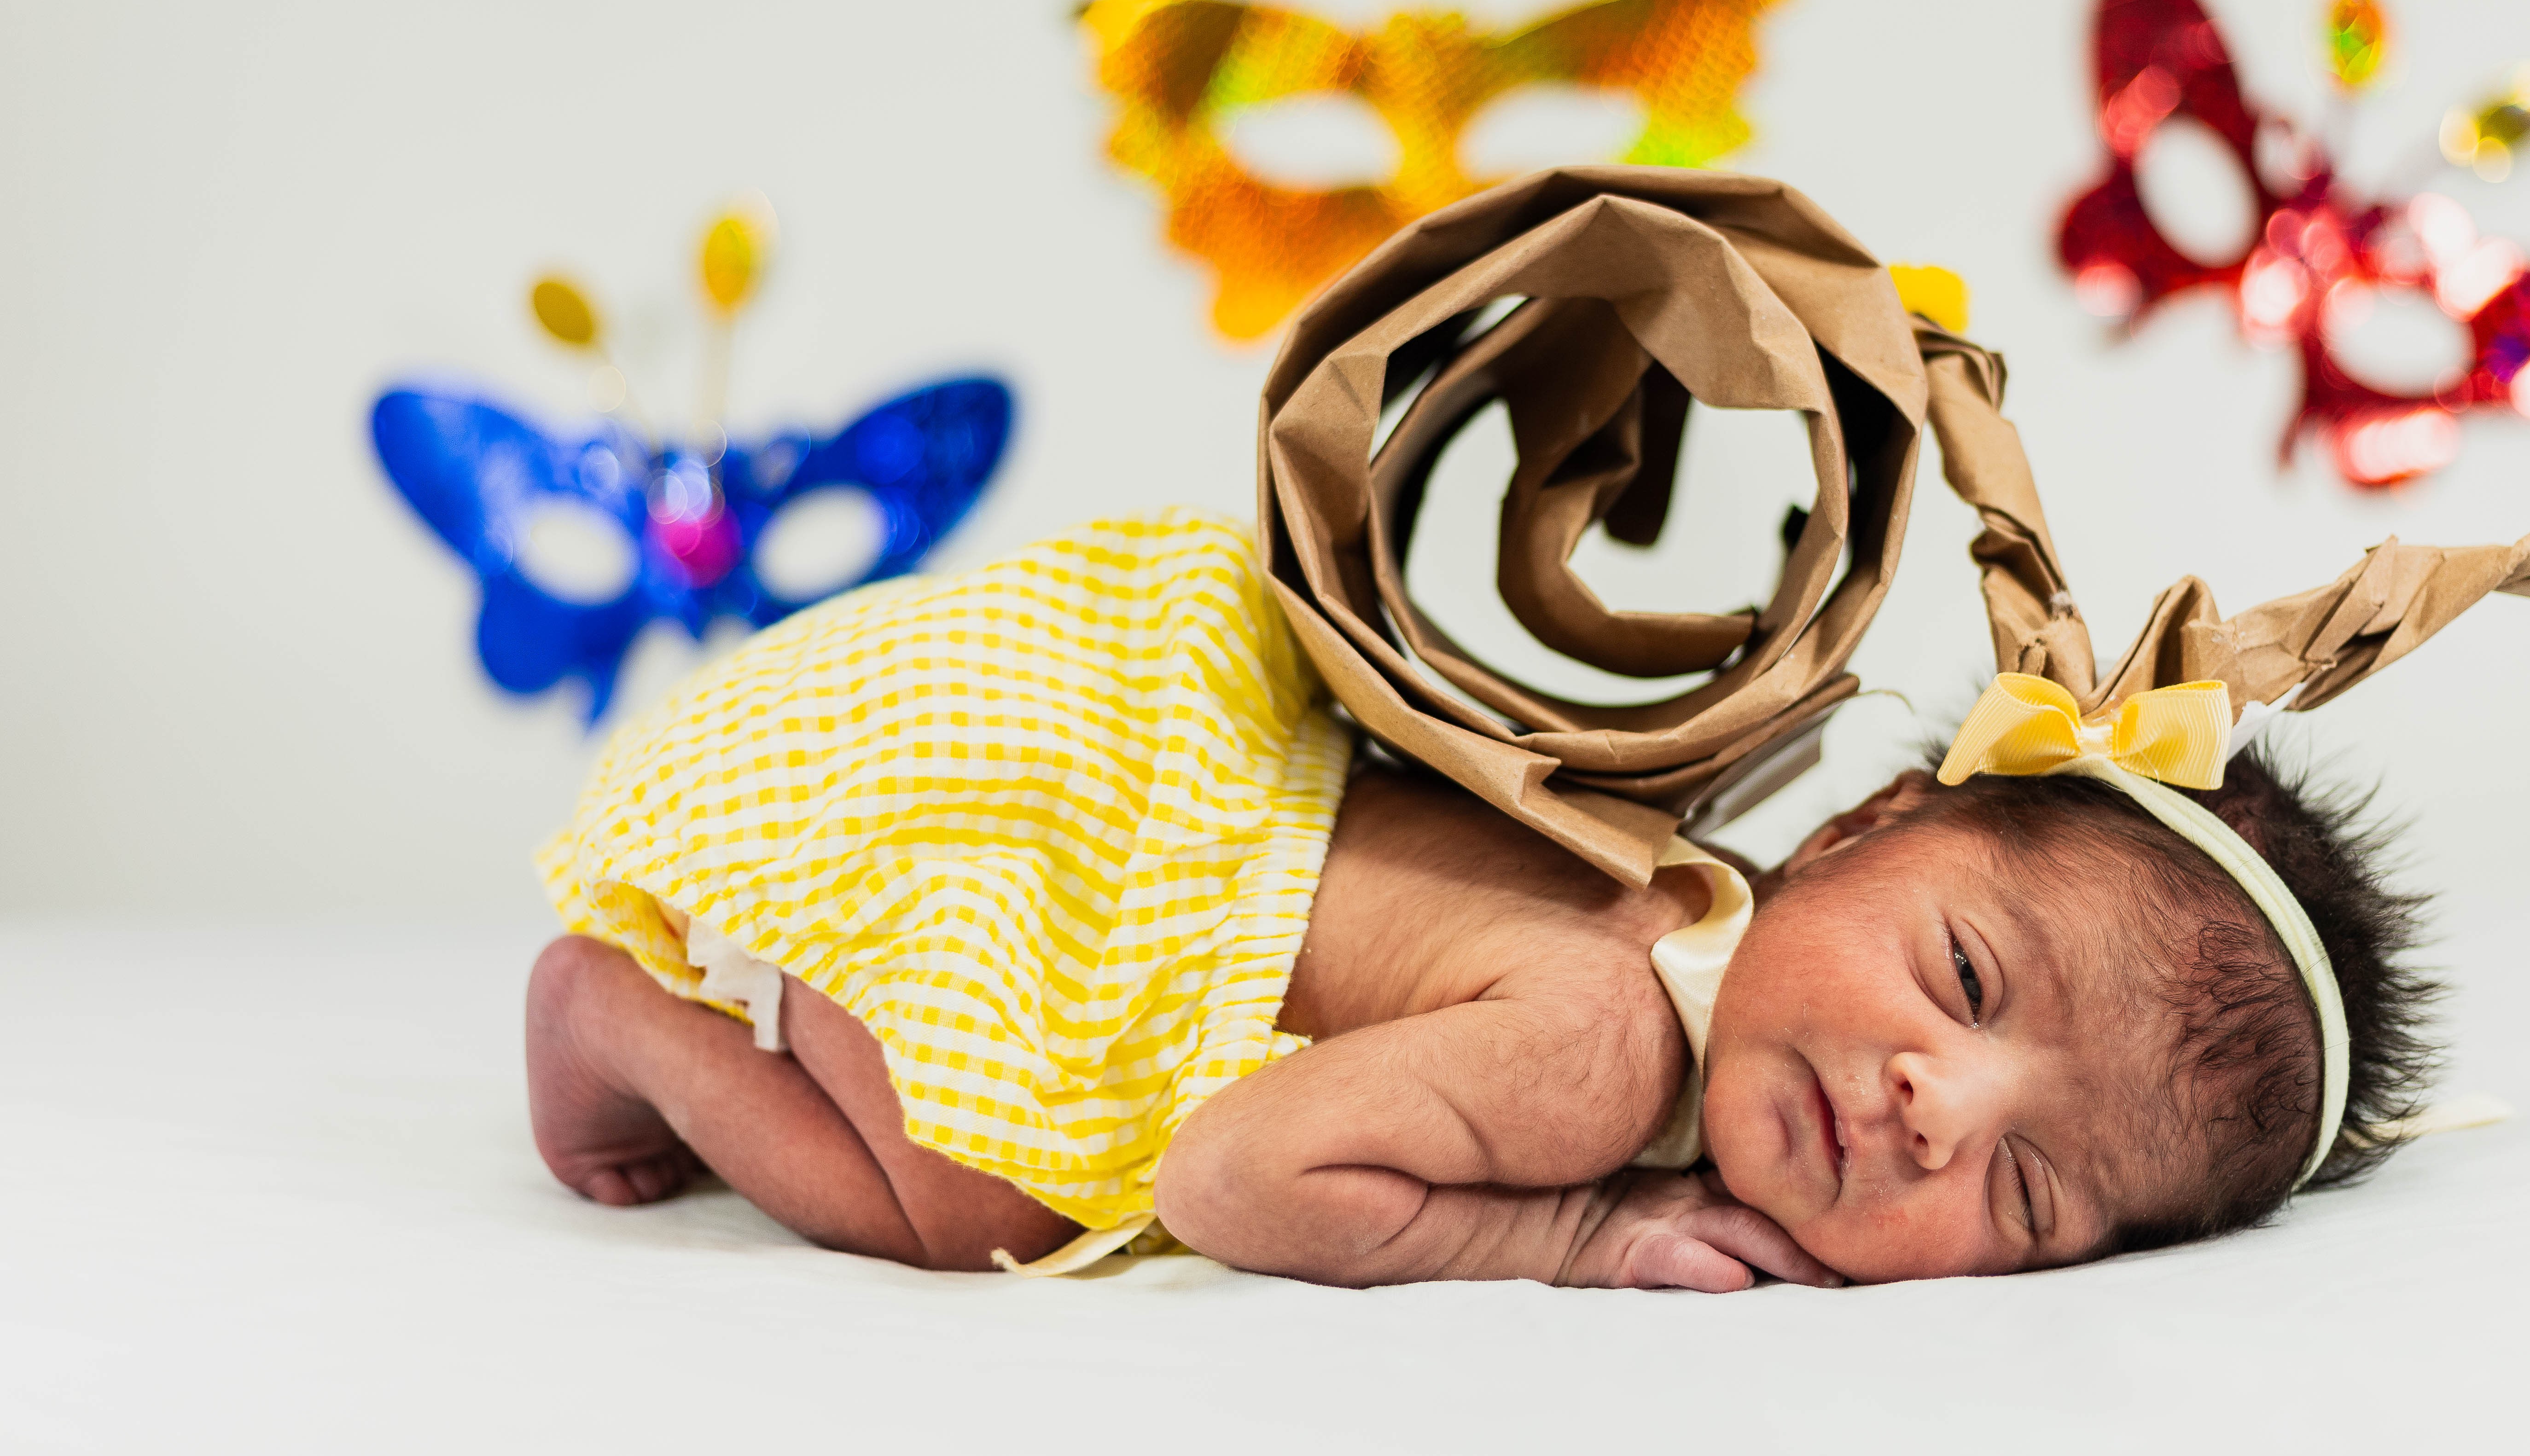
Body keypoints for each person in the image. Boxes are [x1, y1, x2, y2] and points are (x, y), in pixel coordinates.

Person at [526, 510, 2428, 1288]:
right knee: (954, 1205)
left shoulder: (1718, 911)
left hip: (1136, 830)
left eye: (2024, 1192)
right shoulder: (1602, 1046)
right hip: (1032, 858)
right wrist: (1575, 1236)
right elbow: (1230, 1175)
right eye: (1964, 974)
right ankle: (625, 1021)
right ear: (1860, 829)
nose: (1940, 1098)